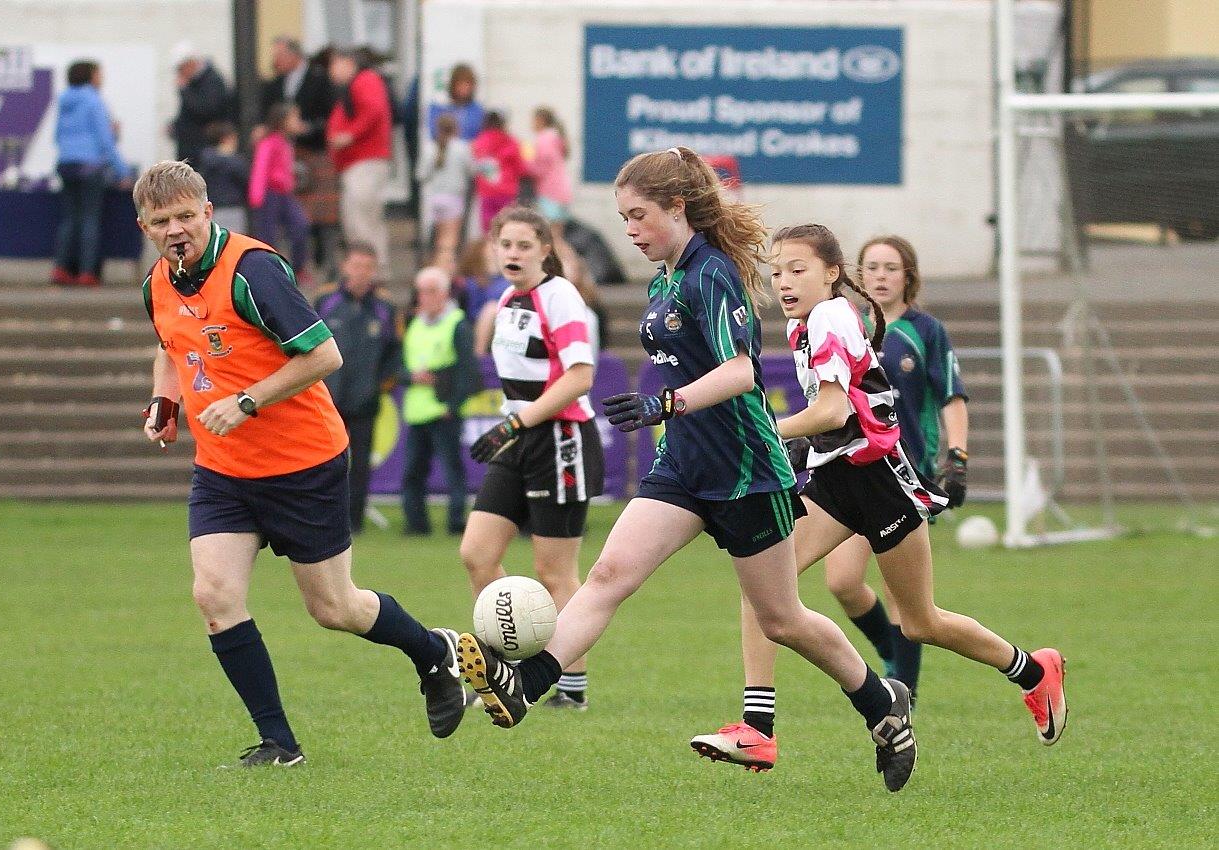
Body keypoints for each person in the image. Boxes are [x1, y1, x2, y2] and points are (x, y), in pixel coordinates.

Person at [455, 149, 917, 792]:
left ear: (678, 207)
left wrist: (663, 404)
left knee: (782, 618)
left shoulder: (712, 274)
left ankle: (881, 704)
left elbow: (740, 372)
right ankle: (525, 685)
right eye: (623, 219)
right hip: (684, 466)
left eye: (639, 215)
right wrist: (668, 416)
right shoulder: (664, 279)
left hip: (745, 468)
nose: (631, 230)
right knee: (611, 575)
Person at [692, 223, 1066, 772]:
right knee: (764, 584)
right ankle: (757, 728)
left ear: (832, 273)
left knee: (920, 622)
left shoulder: (831, 317)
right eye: (777, 272)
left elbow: (834, 411)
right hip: (838, 478)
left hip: (882, 484)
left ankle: (1034, 671)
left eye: (798, 270)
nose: (785, 282)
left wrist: (765, 431)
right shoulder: (806, 326)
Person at [133, 160, 465, 767]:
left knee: (334, 609)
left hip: (302, 463)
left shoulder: (252, 271)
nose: (176, 229)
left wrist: (245, 401)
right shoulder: (158, 282)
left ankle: (432, 651)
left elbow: (325, 356)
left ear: (209, 212)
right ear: (146, 226)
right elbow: (169, 346)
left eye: (186, 215)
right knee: (214, 595)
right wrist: (166, 400)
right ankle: (279, 744)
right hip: (224, 471)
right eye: (162, 221)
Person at [458, 206, 604, 710]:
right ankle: (503, 667)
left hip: (560, 438)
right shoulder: (505, 299)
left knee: (554, 572)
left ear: (546, 249)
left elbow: (580, 377)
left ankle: (572, 686)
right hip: (517, 436)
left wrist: (518, 422)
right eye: (506, 244)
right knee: (477, 554)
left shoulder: (560, 296)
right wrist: (513, 424)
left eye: (524, 244)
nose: (513, 253)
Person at [817, 236, 970, 706]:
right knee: (841, 582)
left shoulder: (926, 331)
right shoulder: (845, 326)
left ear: (909, 277)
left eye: (891, 268)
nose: (880, 276)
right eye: (872, 268)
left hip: (906, 473)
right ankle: (890, 652)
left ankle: (905, 690)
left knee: (903, 597)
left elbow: (952, 396)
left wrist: (957, 458)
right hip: (853, 470)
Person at [314, 244, 401, 534]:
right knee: (325, 462)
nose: (362, 272)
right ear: (345, 266)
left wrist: (380, 385)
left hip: (365, 399)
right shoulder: (325, 301)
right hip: (329, 398)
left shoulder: (385, 308)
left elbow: (394, 352)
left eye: (368, 266)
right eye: (357, 265)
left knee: (360, 463)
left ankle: (355, 522)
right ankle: (324, 517)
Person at [398, 267, 478, 536]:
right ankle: (416, 523)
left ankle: (456, 522)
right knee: (412, 472)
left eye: (431, 291)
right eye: (421, 291)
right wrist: (411, 377)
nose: (425, 297)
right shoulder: (413, 323)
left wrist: (452, 406)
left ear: (444, 294)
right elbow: (399, 366)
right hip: (417, 410)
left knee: (452, 470)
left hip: (443, 410)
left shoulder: (457, 323)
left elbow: (468, 370)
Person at [52, 60, 130, 288]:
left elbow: (57, 136)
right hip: (90, 167)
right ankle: (87, 272)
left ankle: (61, 268)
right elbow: (105, 141)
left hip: (66, 164)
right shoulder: (94, 101)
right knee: (89, 219)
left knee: (68, 219)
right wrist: (121, 172)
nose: (101, 78)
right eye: (99, 73)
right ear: (90, 76)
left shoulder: (64, 101)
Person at [326, 47, 393, 270]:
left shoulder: (365, 80)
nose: (331, 72)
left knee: (362, 219)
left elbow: (373, 111)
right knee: (357, 218)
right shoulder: (355, 85)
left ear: (347, 63)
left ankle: (371, 268)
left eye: (334, 65)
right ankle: (364, 267)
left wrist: (349, 135)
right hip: (356, 163)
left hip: (365, 160)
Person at [250, 103, 311, 281]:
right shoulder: (269, 142)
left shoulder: (286, 141)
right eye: (294, 118)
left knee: (300, 225)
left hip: (285, 194)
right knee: (267, 235)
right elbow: (260, 168)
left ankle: (298, 268)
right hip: (269, 194)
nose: (298, 122)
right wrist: (257, 195)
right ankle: (268, 271)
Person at [416, 112, 474, 274]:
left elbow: (421, 174)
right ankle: (444, 272)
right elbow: (471, 170)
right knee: (449, 241)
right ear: (456, 128)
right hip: (454, 198)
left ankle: (435, 267)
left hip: (435, 198)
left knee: (439, 239)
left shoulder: (430, 148)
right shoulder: (461, 147)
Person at [260, 37, 336, 155]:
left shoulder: (320, 79)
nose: (276, 60)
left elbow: (330, 114)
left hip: (313, 149)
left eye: (280, 55)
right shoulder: (275, 83)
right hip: (282, 150)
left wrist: (308, 127)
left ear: (295, 55)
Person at [168, 42, 233, 168]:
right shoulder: (194, 82)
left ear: (190, 63)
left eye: (181, 69)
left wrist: (184, 90)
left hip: (202, 150)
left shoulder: (212, 81)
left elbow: (206, 110)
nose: (180, 74)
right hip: (191, 150)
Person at [471, 111, 524, 233]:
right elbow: (520, 168)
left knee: (489, 231)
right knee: (507, 229)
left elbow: (475, 166)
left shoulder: (479, 142)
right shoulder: (511, 141)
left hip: (487, 192)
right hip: (507, 192)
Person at [455, 240, 510, 355]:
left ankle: (478, 355)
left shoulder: (509, 280)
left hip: (502, 323)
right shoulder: (469, 281)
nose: (496, 252)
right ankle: (477, 356)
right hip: (472, 321)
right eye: (492, 248)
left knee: (491, 308)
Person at [198, 122, 249, 234]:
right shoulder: (236, 161)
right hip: (233, 207)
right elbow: (245, 182)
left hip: (213, 208)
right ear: (227, 138)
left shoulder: (206, 159)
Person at [526, 107, 572, 230]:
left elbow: (542, 166)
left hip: (550, 193)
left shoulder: (544, 139)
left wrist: (525, 166)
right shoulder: (556, 138)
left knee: (551, 236)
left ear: (541, 120)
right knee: (558, 237)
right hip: (562, 192)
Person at [427, 63, 484, 142]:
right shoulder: (439, 106)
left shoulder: (477, 110)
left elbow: (480, 136)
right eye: (460, 83)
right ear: (453, 84)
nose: (464, 88)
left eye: (467, 84)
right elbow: (434, 132)